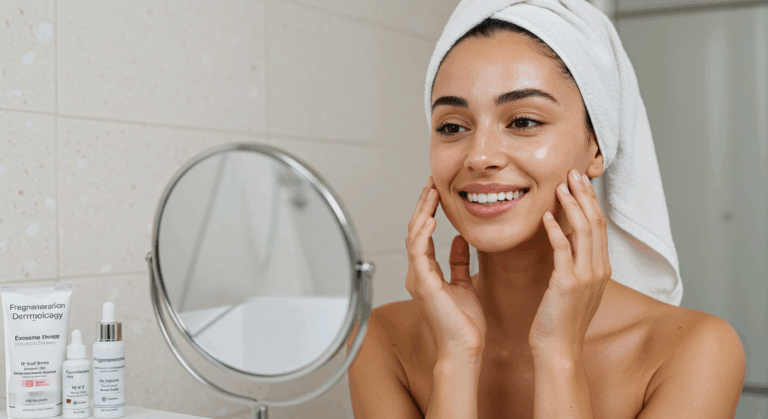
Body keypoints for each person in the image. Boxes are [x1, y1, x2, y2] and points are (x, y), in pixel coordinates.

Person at [348, 3, 746, 418]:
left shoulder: (692, 352)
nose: (479, 156)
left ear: (597, 147)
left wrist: (559, 356)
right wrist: (456, 359)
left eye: (522, 121)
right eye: (452, 127)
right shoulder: (381, 339)